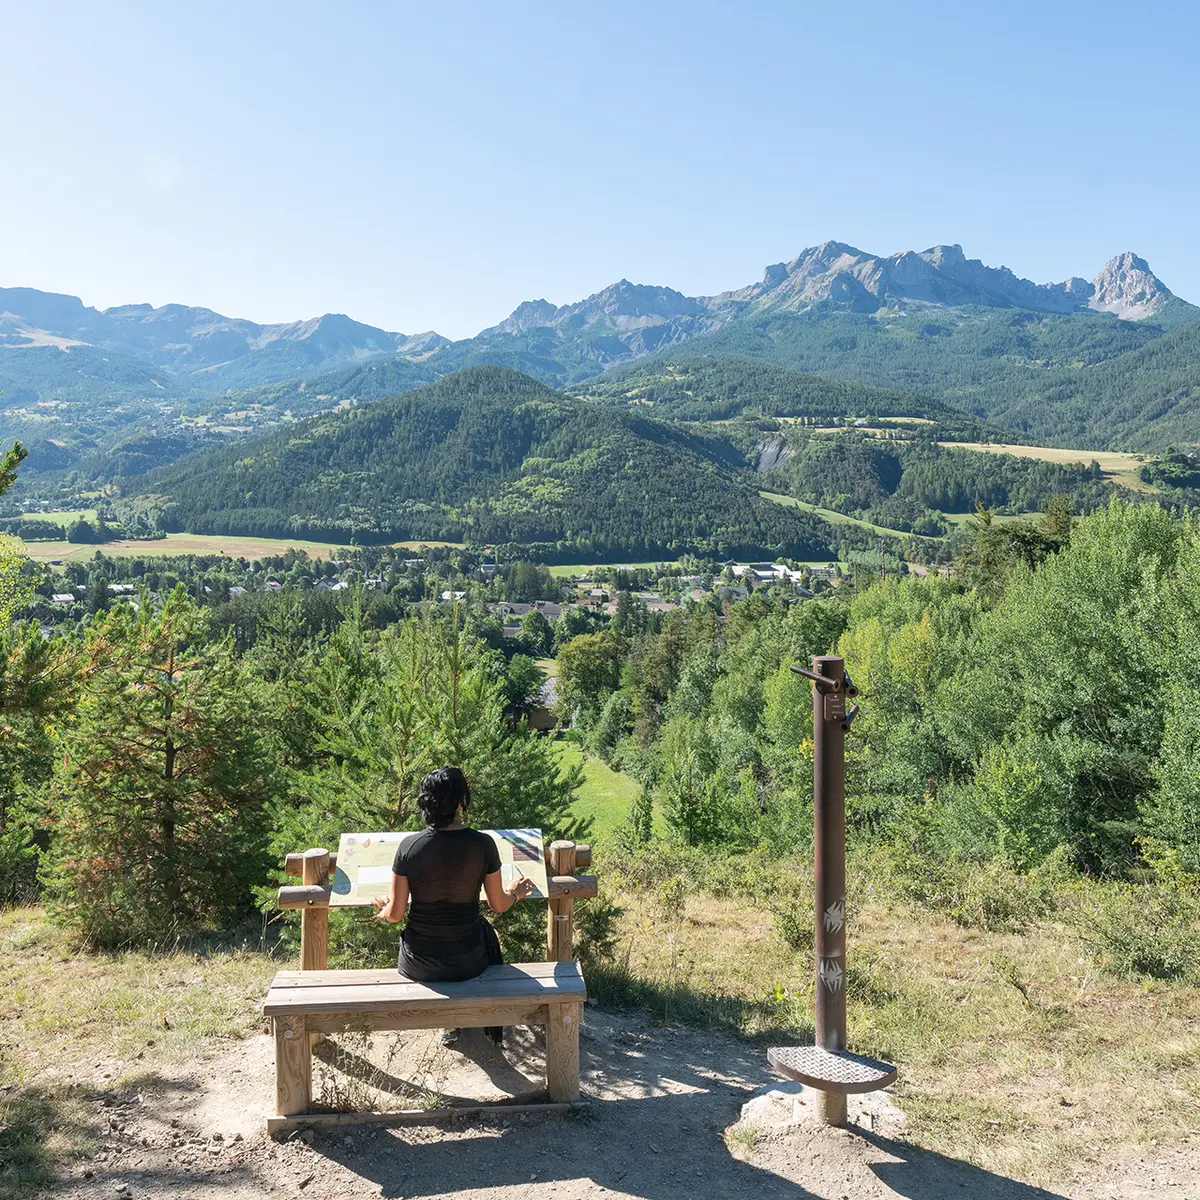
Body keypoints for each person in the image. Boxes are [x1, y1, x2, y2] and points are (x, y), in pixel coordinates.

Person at [372, 766, 533, 1043]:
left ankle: (450, 1025)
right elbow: (498, 904)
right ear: (460, 802)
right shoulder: (483, 845)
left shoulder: (409, 847)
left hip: (417, 962)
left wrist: (385, 908)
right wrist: (515, 893)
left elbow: (397, 914)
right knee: (480, 934)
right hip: (468, 961)